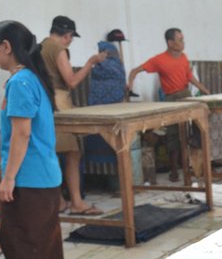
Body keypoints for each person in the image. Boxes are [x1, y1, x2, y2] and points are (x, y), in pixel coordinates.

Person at [0, 20, 68, 259]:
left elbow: (21, 135)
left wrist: (8, 179)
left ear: (6, 46)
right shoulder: (34, 78)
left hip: (27, 178)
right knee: (46, 240)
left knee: (21, 242)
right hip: (46, 175)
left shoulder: (20, 82)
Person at [40, 15, 108, 215]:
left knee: (50, 153)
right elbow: (70, 81)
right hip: (58, 101)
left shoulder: (39, 47)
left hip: (44, 102)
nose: (70, 40)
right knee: (73, 153)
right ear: (67, 35)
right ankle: (77, 202)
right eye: (70, 36)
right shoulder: (59, 49)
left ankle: (59, 201)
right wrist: (91, 62)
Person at [126, 28, 210, 182]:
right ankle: (174, 170)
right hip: (171, 99)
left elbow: (189, 77)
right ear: (170, 43)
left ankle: (193, 156)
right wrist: (130, 84)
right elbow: (135, 70)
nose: (183, 43)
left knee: (200, 123)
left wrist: (204, 89)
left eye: (183, 39)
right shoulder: (159, 60)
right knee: (173, 134)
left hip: (186, 96)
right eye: (180, 40)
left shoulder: (184, 58)